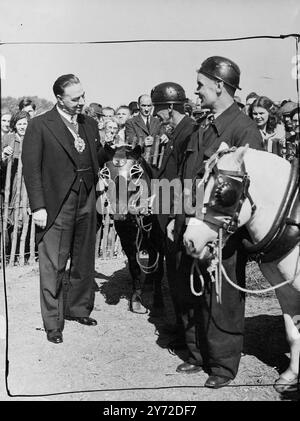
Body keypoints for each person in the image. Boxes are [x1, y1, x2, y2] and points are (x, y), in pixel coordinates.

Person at [168, 56, 263, 388]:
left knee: (220, 297)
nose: (195, 92)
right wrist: (177, 216)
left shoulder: (243, 129)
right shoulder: (203, 125)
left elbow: (243, 189)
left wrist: (218, 229)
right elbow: (185, 174)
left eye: (200, 86)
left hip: (221, 229)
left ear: (219, 86)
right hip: (190, 221)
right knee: (188, 290)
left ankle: (222, 365)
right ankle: (197, 354)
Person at [22, 74, 102, 344]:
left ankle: (79, 308)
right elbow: (31, 170)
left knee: (83, 258)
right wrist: (39, 206)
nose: (82, 102)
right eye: (75, 98)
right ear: (59, 99)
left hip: (86, 198)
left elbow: (94, 157)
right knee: (54, 264)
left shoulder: (89, 124)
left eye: (83, 95)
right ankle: (53, 323)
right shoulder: (40, 125)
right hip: (57, 202)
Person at [150, 81, 197, 345]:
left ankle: (188, 336)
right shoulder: (177, 131)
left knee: (182, 276)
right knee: (175, 277)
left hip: (177, 218)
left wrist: (175, 219)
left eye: (158, 109)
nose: (156, 115)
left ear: (169, 107)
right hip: (169, 214)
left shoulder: (189, 132)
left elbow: (187, 179)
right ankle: (180, 327)